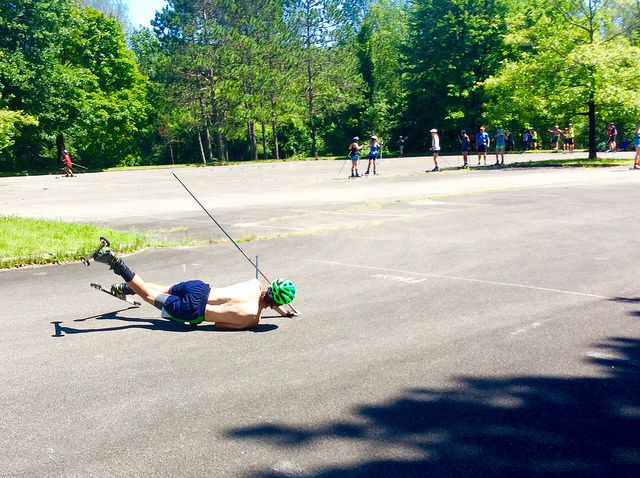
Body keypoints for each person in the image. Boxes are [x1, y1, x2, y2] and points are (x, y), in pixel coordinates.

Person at [93, 248, 298, 330]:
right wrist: (282, 310)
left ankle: (126, 288)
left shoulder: (255, 284)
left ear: (270, 285)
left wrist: (283, 311)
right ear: (279, 302)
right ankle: (118, 265)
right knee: (148, 296)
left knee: (162, 288)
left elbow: (265, 296)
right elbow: (219, 325)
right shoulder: (252, 320)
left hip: (199, 288)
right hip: (193, 310)